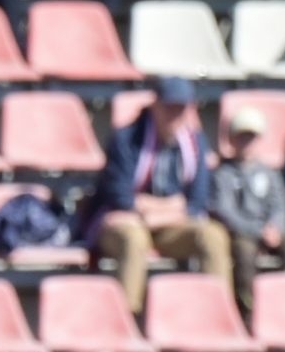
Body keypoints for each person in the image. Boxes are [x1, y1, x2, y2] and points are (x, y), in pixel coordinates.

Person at [86, 76, 233, 316]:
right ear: (155, 105)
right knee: (134, 239)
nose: (175, 115)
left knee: (213, 236)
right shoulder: (127, 138)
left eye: (181, 108)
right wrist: (171, 206)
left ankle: (217, 315)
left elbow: (197, 201)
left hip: (163, 225)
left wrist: (151, 214)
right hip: (122, 224)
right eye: (169, 107)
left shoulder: (195, 142)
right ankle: (126, 317)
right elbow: (119, 196)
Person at [213, 106, 285, 316]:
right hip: (243, 232)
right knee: (244, 254)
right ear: (231, 139)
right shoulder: (223, 174)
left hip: (271, 229)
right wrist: (257, 231)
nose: (246, 142)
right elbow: (225, 211)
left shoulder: (270, 173)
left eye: (251, 137)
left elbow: (280, 204)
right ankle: (249, 310)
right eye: (241, 137)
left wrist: (276, 226)